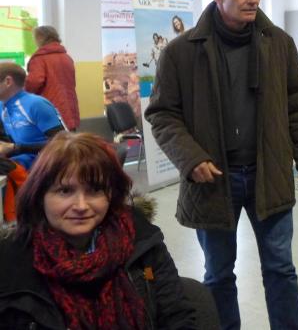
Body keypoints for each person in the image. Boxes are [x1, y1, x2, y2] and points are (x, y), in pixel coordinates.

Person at [145, 0, 298, 330]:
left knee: (280, 268)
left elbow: (297, 104)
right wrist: (190, 158)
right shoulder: (181, 52)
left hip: (268, 174)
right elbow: (162, 114)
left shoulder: (279, 44)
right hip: (213, 180)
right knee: (219, 273)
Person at [0, 132, 196, 329]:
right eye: (65, 191)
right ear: (39, 195)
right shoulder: (11, 258)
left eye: (94, 191)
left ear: (111, 195)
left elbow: (177, 316)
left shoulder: (141, 239)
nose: (81, 206)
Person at [0, 62, 66, 171]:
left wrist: (16, 148)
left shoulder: (36, 104)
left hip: (48, 167)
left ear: (8, 81)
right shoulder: (2, 106)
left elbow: (63, 143)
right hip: (22, 164)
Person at [24, 25, 80, 131]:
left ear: (40, 38)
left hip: (50, 108)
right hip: (70, 107)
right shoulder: (66, 57)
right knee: (70, 138)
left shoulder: (39, 59)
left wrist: (22, 92)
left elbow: (34, 82)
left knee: (55, 140)